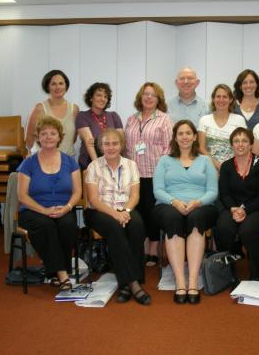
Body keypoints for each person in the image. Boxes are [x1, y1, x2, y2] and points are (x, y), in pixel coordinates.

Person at [153, 120, 218, 304]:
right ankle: (180, 280)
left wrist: (198, 202)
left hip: (201, 206)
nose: (185, 137)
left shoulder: (205, 160)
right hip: (168, 204)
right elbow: (157, 190)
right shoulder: (164, 160)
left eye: (188, 133)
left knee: (196, 219)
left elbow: (213, 191)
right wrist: (174, 201)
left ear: (195, 136)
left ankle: (193, 281)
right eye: (180, 133)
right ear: (175, 137)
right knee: (173, 219)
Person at [84, 129, 151, 305]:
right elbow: (93, 199)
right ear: (100, 146)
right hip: (99, 211)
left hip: (125, 209)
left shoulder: (131, 165)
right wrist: (115, 214)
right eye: (106, 144)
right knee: (115, 228)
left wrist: (125, 212)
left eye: (115, 143)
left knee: (137, 225)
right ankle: (133, 283)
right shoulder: (94, 166)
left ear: (121, 145)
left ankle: (126, 285)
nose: (111, 147)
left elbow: (135, 196)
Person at [17, 116, 82, 290]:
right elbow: (22, 196)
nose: (48, 137)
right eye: (43, 134)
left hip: (63, 208)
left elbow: (77, 192)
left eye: (52, 133)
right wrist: (44, 210)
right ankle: (62, 274)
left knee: (67, 225)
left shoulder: (70, 162)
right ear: (38, 137)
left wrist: (67, 207)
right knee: (47, 226)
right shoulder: (28, 163)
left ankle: (52, 272)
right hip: (32, 210)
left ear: (59, 137)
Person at [124, 82, 173, 267]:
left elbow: (169, 148)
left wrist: (162, 170)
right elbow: (127, 147)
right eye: (145, 94)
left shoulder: (164, 119)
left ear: (158, 98)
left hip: (155, 174)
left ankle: (153, 250)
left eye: (153, 94)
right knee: (139, 212)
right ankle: (142, 249)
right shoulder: (131, 119)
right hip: (134, 175)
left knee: (153, 213)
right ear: (140, 97)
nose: (149, 97)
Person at [215, 127, 259, 280]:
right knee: (223, 227)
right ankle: (228, 272)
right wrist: (234, 209)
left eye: (244, 141)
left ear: (251, 144)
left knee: (247, 231)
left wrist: (245, 210)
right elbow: (224, 194)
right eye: (236, 141)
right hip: (232, 208)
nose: (240, 144)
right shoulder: (227, 166)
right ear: (231, 145)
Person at [26, 70, 79, 156]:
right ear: (47, 87)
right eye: (53, 84)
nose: (58, 87)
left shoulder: (75, 109)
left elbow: (73, 139)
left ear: (66, 86)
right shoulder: (39, 108)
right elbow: (29, 139)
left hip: (67, 160)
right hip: (42, 159)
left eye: (61, 83)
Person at [198, 84, 247, 171]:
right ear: (213, 99)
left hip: (235, 168)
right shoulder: (204, 120)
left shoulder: (239, 120)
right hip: (209, 168)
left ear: (231, 99)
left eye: (225, 97)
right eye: (218, 96)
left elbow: (244, 146)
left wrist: (229, 167)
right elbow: (201, 148)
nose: (221, 100)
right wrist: (217, 165)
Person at [75, 82, 123, 170]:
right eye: (99, 95)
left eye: (105, 96)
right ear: (91, 98)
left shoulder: (114, 116)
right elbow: (89, 142)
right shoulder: (82, 116)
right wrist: (97, 166)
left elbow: (121, 141)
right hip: (90, 164)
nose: (102, 99)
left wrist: (118, 164)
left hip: (113, 164)